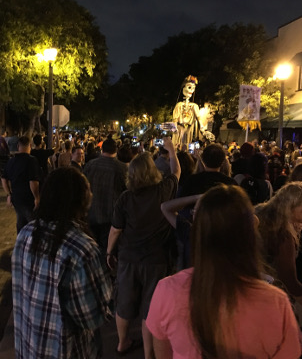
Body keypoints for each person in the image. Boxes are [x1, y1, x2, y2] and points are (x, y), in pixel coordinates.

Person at [146, 185, 301, 359]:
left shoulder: (167, 290)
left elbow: (163, 353)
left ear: (198, 233)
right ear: (250, 237)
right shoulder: (276, 303)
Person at [12, 167, 113, 359]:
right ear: (78, 199)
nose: (91, 194)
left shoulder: (26, 233)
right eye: (88, 190)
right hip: (64, 349)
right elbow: (91, 317)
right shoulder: (82, 250)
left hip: (29, 343)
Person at [106, 137, 180, 358]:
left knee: (124, 303)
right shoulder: (164, 191)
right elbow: (176, 173)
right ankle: (149, 353)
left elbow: (115, 230)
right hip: (156, 259)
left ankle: (122, 342)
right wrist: (172, 151)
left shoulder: (125, 198)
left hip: (128, 257)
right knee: (150, 307)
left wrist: (109, 251)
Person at [255, 182, 302, 299]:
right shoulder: (283, 235)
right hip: (270, 293)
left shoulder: (260, 212)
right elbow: (289, 282)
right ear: (290, 207)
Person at [84, 134, 128, 259]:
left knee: (91, 248)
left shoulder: (90, 165)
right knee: (107, 250)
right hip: (111, 215)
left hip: (91, 212)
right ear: (116, 150)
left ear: (102, 149)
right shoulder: (121, 168)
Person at [1, 135, 40, 233]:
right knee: (33, 224)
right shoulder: (31, 160)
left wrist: (9, 194)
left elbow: (4, 179)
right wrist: (37, 197)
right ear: (30, 145)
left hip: (16, 198)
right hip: (28, 198)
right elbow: (33, 181)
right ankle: (31, 243)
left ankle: (21, 240)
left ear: (18, 146)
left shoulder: (11, 161)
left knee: (21, 221)